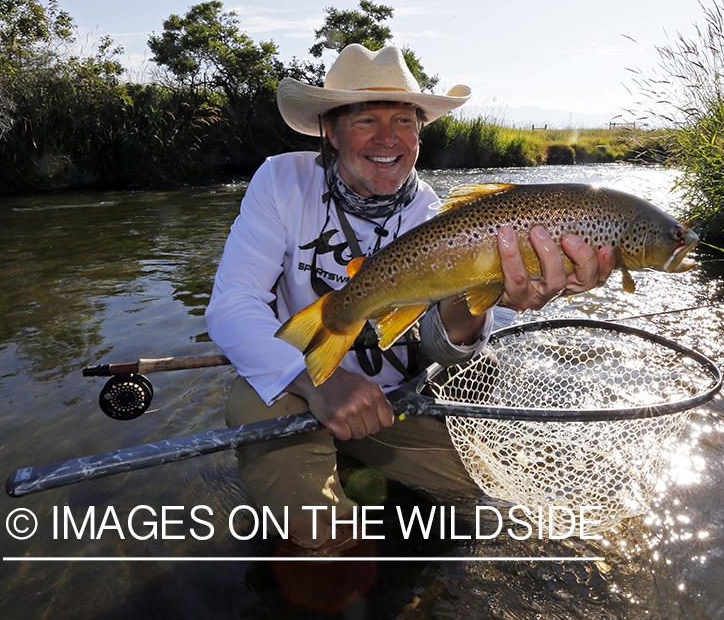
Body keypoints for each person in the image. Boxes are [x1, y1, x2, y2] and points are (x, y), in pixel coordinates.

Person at [206, 44, 615, 553]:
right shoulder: (282, 181)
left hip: (394, 399)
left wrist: (487, 300)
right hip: (288, 380)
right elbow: (232, 304)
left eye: (404, 120)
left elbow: (442, 346)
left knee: (488, 510)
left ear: (420, 134)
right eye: (365, 120)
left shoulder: (439, 216)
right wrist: (317, 381)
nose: (387, 138)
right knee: (327, 542)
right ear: (329, 130)